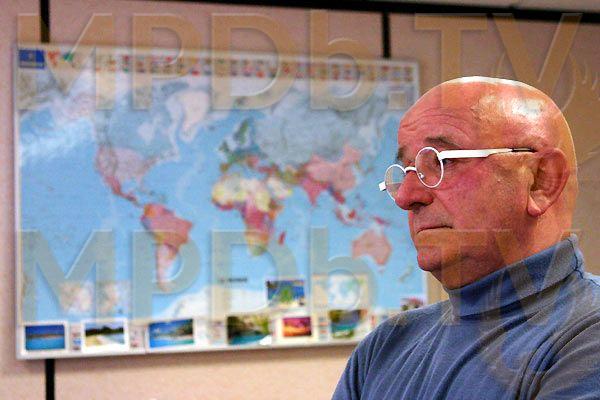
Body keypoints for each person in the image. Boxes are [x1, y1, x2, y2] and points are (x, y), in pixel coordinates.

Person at [332, 77, 600, 399]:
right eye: (405, 171)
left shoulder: (587, 337)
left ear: (541, 181)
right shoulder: (383, 349)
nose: (406, 196)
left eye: (443, 162)